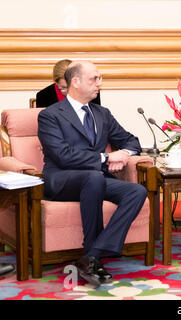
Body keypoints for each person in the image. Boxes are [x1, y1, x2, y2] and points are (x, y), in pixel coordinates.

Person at [37, 61, 147, 286]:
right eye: (94, 79)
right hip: (62, 179)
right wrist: (107, 158)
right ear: (75, 82)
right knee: (95, 176)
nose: (100, 83)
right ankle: (92, 253)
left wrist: (124, 154)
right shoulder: (50, 115)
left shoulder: (101, 113)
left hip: (95, 179)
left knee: (136, 191)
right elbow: (62, 155)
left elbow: (131, 140)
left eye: (100, 78)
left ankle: (91, 256)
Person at [36, 59, 101, 108]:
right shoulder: (43, 96)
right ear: (56, 82)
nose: (70, 91)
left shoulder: (92, 91)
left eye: (72, 85)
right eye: (64, 88)